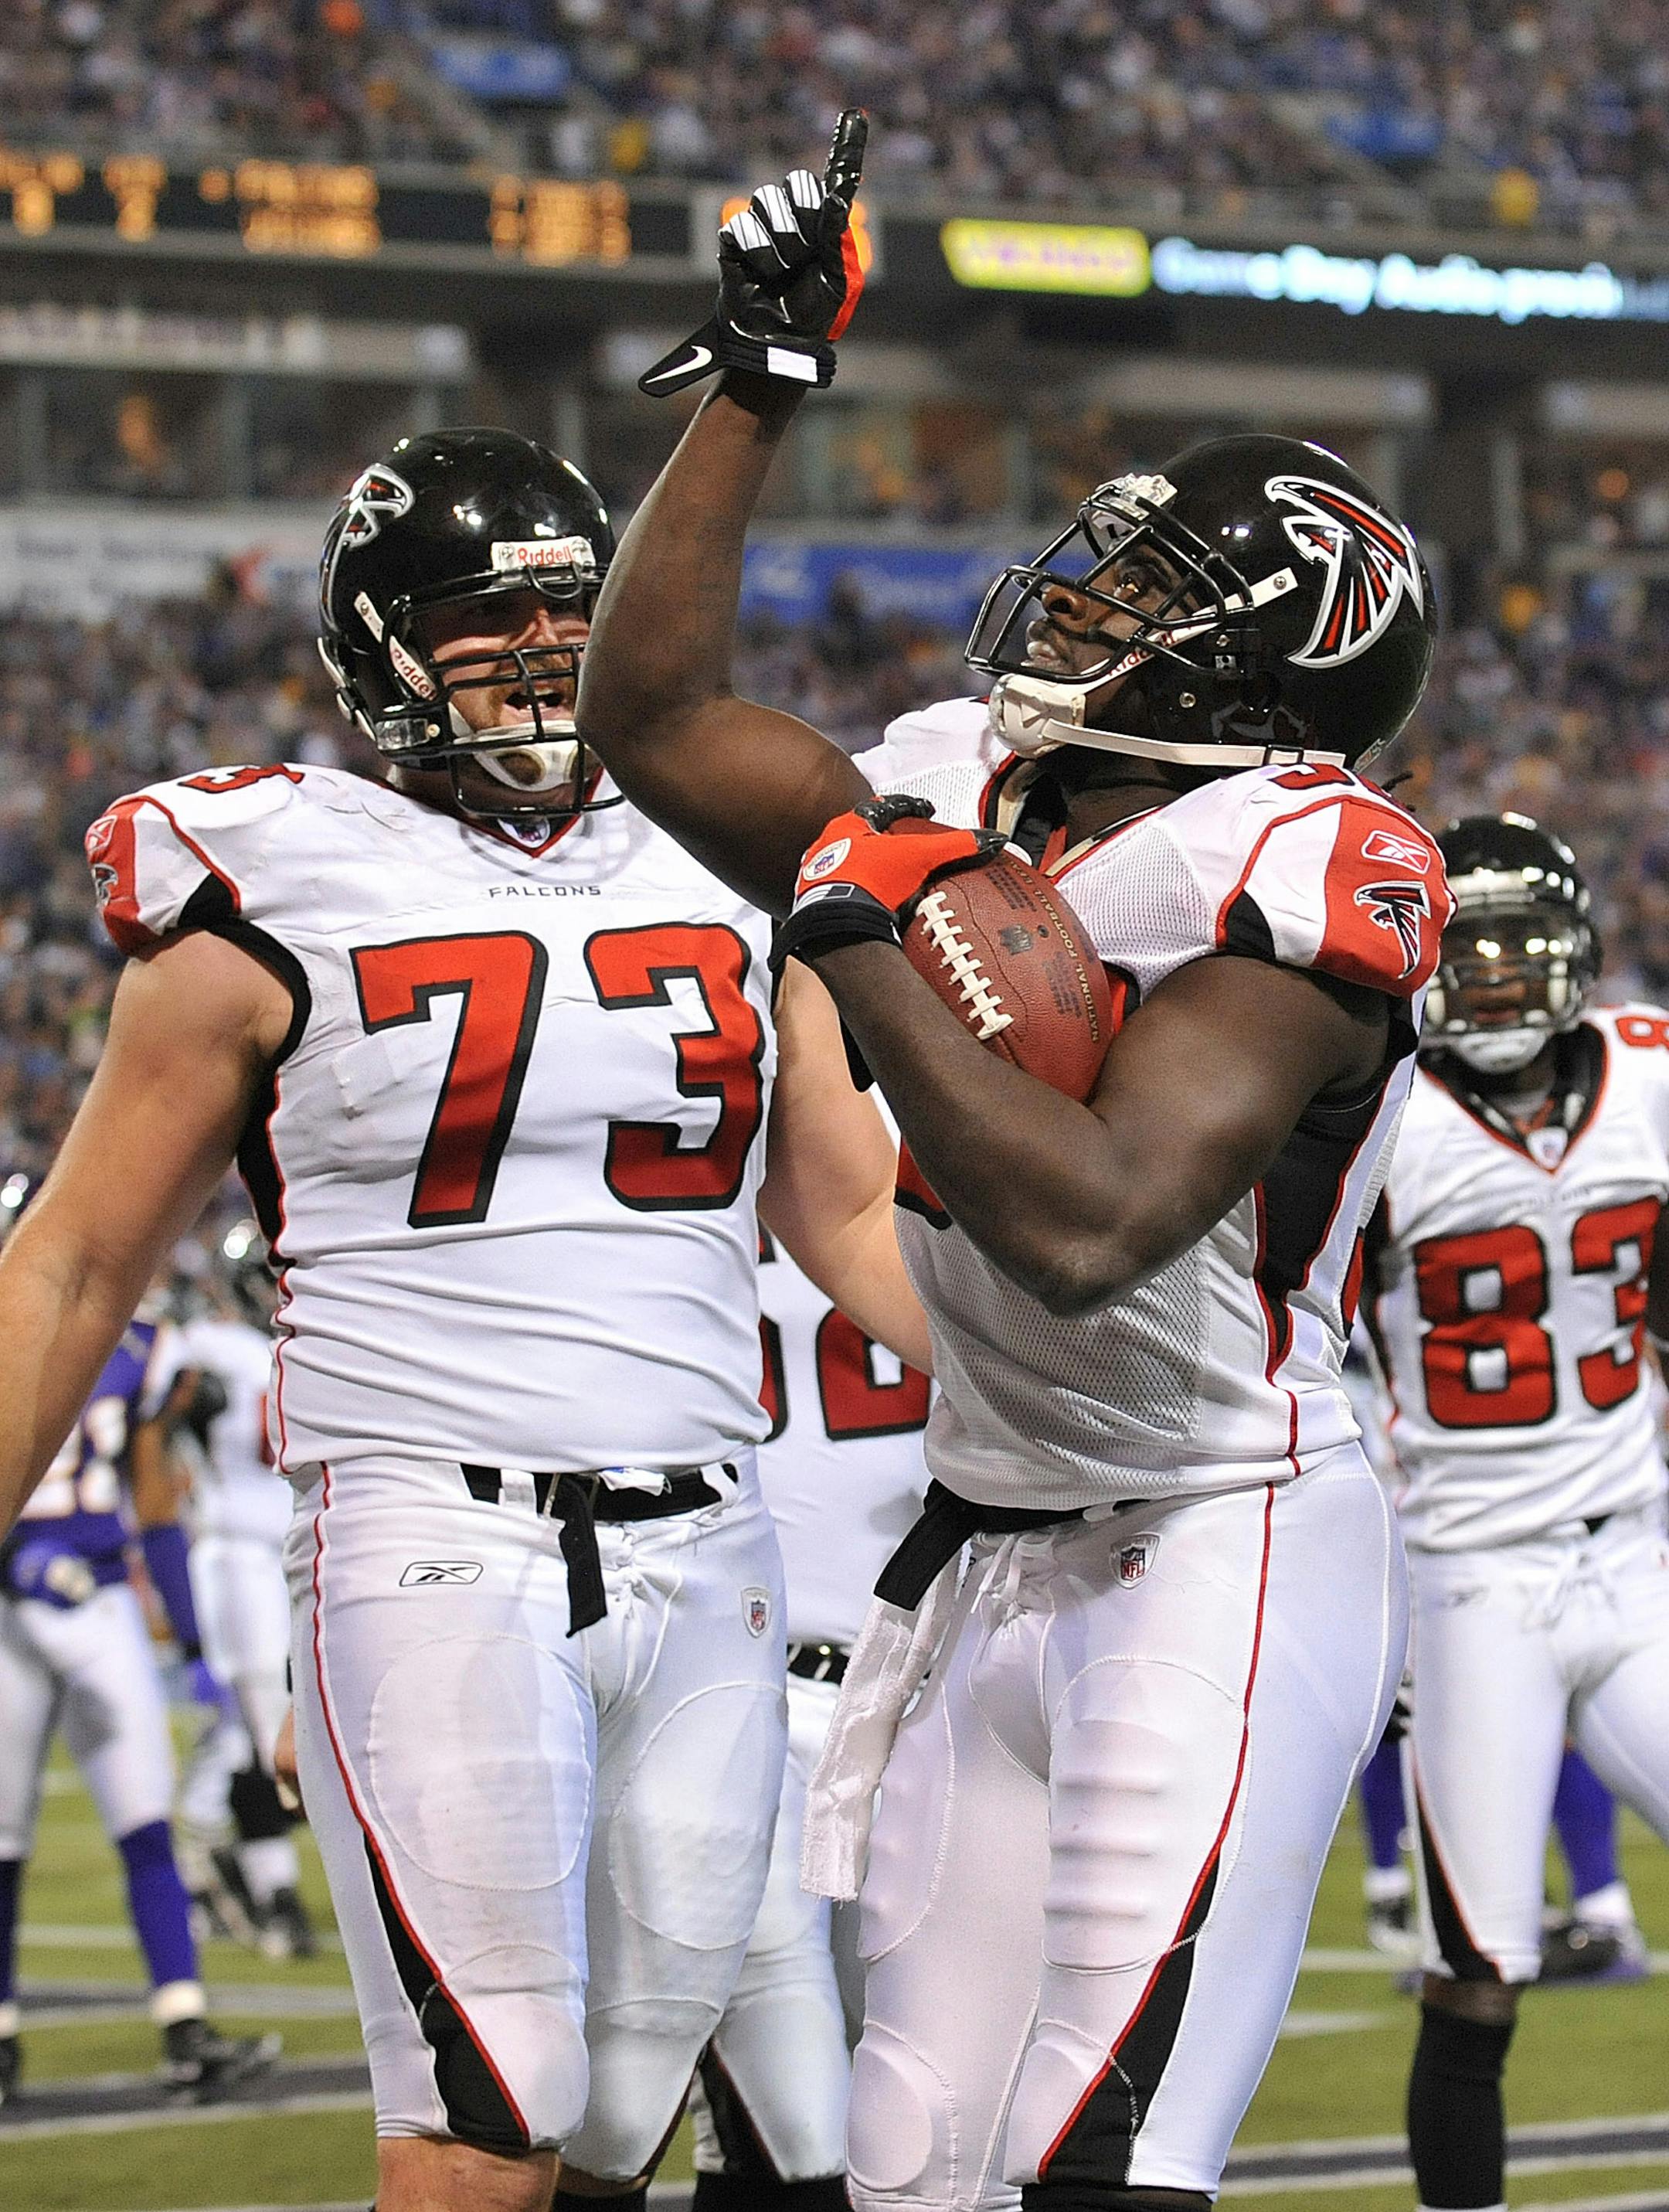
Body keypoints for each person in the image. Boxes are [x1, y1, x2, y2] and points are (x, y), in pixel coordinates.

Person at [576, 117, 1453, 2212]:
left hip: (1222, 1536)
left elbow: (1084, 1220)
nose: (1086, 604)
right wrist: (757, 385)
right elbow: (656, 706)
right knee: (903, 2158)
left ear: (1272, 659)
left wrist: (865, 928)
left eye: (1147, 594)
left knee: (1100, 2158)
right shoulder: (972, 782)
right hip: (990, 1539)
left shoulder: (1309, 859)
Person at [0, 428, 926, 2212]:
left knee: (614, 2113)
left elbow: (847, 1204)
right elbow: (76, 1261)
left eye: (568, 608)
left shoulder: (730, 859)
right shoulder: (260, 871)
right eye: (483, 616)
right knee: (485, 2122)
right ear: (377, 644)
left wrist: (1078, 1390)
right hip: (435, 1532)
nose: (540, 648)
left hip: (708, 1544)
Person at [1361, 815, 1669, 2212]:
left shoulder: (1650, 1073)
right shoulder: (1377, 1115)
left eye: (1515, 945)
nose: (1489, 977)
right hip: (1470, 1580)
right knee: (1477, 1971)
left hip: (1636, 1551)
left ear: (1575, 954)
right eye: (1463, 947)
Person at [691, 1223, 928, 2210]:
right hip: (725, 1679)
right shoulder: (690, 1135)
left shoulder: (953, 1129)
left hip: (923, 1691)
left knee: (927, 2123)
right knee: (784, 2127)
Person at [0, 1294, 278, 2102]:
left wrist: (192, 1641)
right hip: (11, 1607)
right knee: (3, 1839)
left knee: (145, 1817)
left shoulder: (145, 1346)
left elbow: (155, 1500)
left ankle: (186, 2027)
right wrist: (15, 1556)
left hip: (106, 1598)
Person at [173, 1221, 316, 1960]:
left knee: (260, 1730)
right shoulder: (209, 1351)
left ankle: (209, 1858)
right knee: (265, 1715)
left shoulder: (314, 1338)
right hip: (237, 1552)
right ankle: (275, 1891)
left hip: (302, 1547)